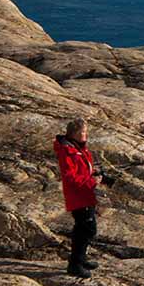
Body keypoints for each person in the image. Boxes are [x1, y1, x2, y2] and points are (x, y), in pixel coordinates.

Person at [52, 118, 114, 277]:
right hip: (78, 195)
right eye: (82, 132)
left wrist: (95, 174)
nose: (85, 135)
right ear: (74, 134)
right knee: (86, 228)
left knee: (84, 228)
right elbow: (70, 178)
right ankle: (75, 264)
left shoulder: (78, 149)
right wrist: (91, 181)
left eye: (86, 132)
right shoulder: (68, 151)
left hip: (85, 194)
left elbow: (82, 170)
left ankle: (81, 258)